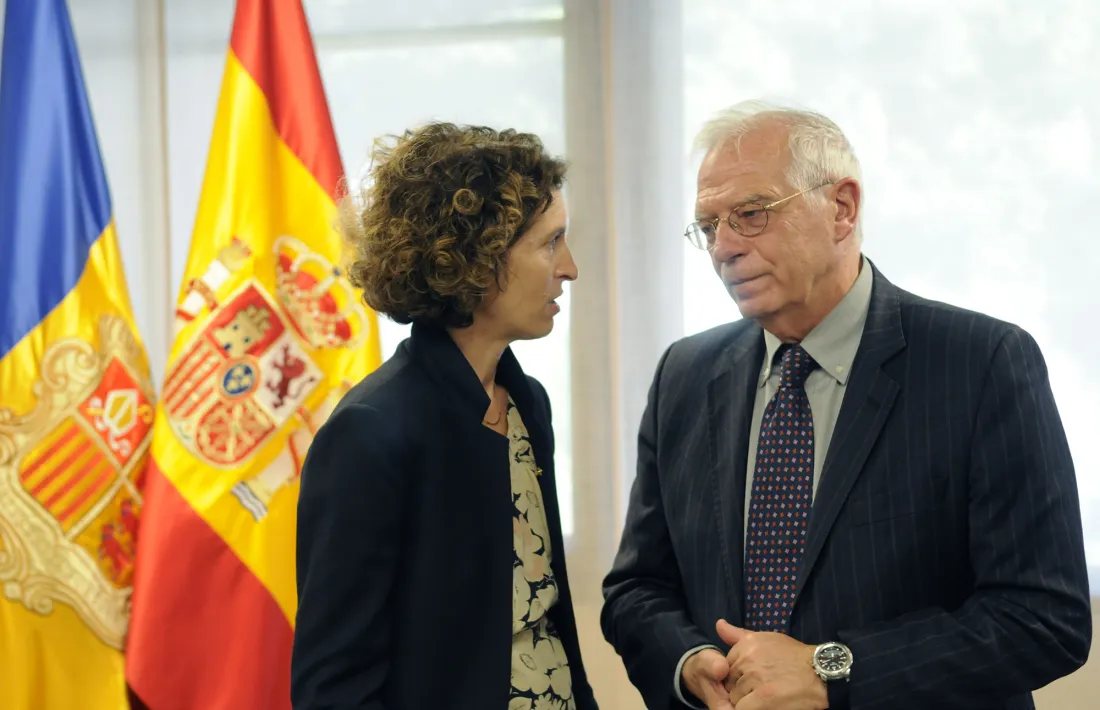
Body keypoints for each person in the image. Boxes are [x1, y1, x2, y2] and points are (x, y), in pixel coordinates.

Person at [600, 100, 1091, 710]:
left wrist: (832, 670)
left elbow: (1043, 619)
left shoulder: (981, 362)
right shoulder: (685, 373)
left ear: (841, 207)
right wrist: (689, 660)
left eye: (750, 214)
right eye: (708, 226)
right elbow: (637, 588)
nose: (723, 247)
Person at [291, 122, 597, 710]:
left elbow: (545, 614)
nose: (570, 268)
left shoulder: (528, 400)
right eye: (549, 243)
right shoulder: (370, 432)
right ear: (477, 259)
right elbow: (333, 687)